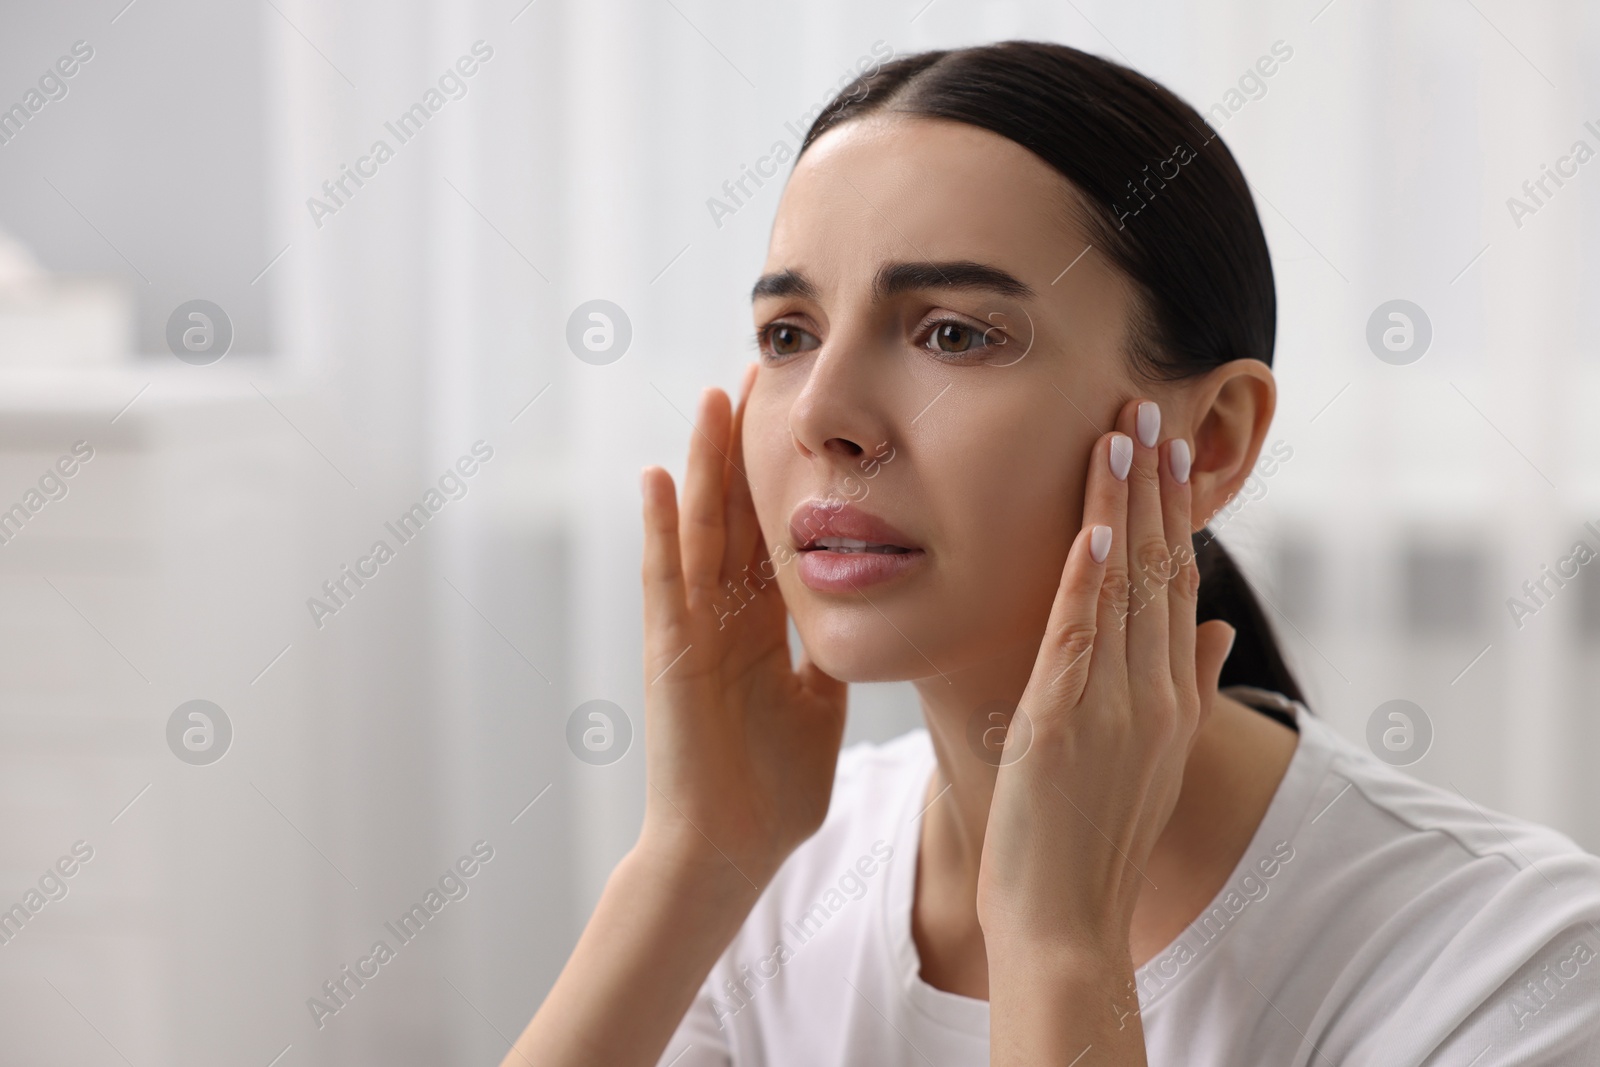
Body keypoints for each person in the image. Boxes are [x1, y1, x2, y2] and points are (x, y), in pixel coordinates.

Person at [506, 41, 1600, 1065]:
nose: (822, 415)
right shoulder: (776, 888)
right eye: (789, 334)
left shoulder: (1513, 962)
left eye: (953, 332)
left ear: (1210, 437)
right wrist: (698, 857)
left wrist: (1059, 938)